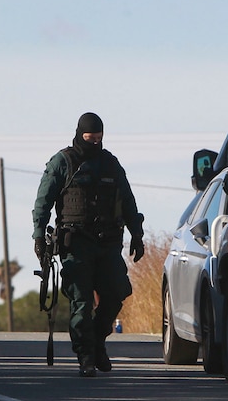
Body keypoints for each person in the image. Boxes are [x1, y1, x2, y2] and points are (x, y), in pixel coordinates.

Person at [33, 112, 145, 377]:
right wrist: (39, 236)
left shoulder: (111, 164)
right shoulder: (63, 162)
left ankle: (97, 341)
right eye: (89, 138)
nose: (94, 143)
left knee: (117, 293)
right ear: (79, 135)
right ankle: (85, 355)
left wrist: (137, 235)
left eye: (98, 139)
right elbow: (43, 202)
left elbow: (128, 202)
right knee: (81, 302)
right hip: (76, 244)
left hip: (108, 243)